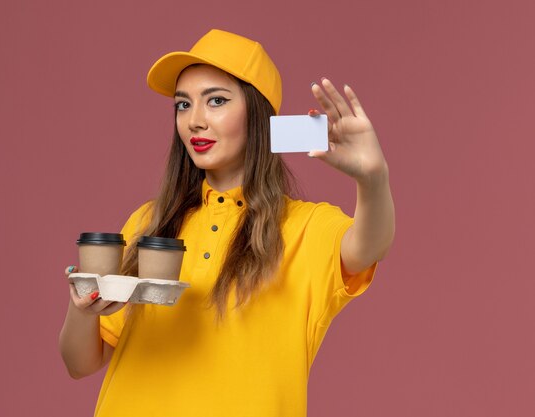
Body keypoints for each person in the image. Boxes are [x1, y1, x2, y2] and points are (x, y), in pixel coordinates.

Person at [59, 29, 394, 416]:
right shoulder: (150, 222)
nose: (195, 121)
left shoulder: (304, 227)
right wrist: (82, 308)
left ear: (258, 113)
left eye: (216, 101)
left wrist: (373, 179)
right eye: (183, 105)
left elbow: (371, 244)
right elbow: (79, 363)